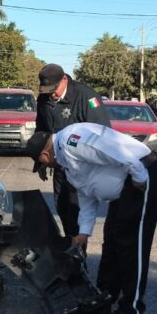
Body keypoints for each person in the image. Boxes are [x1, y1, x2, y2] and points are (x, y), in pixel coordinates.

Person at [26, 123, 157, 314]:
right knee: (111, 240)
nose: (47, 168)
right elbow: (87, 196)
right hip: (126, 186)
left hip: (142, 176)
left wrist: (138, 175)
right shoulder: (67, 164)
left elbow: (110, 149)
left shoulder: (71, 140)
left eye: (43, 165)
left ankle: (131, 310)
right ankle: (106, 296)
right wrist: (83, 232)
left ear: (44, 156)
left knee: (131, 245)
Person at [34, 63, 112, 239]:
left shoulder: (86, 97)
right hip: (60, 164)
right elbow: (41, 131)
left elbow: (102, 133)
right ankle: (72, 247)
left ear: (64, 79)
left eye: (54, 89)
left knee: (77, 211)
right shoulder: (44, 99)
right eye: (47, 90)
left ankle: (78, 252)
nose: (51, 94)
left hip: (82, 166)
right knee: (62, 207)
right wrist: (41, 161)